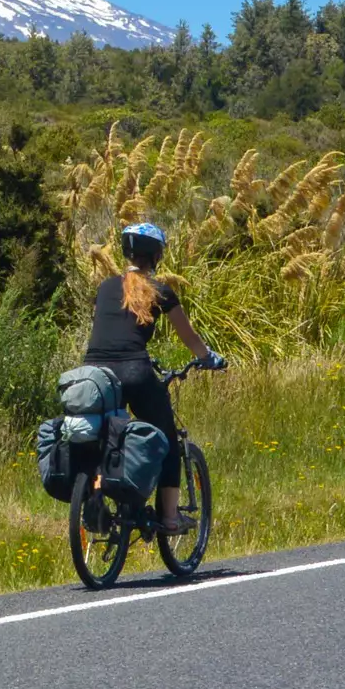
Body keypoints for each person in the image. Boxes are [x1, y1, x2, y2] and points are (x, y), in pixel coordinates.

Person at [79, 222, 226, 534]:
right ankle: (171, 517)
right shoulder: (160, 290)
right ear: (156, 255)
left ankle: (95, 496)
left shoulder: (105, 288)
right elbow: (189, 336)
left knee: (105, 435)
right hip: (134, 370)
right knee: (166, 439)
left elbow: (112, 331)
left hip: (93, 372)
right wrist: (207, 358)